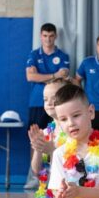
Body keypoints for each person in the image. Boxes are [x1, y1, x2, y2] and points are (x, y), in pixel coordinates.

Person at [24, 23, 70, 189]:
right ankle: (34, 177)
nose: (48, 39)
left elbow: (63, 78)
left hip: (57, 103)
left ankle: (55, 175)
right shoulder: (34, 54)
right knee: (36, 138)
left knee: (57, 137)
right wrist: (54, 75)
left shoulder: (62, 56)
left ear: (55, 36)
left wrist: (41, 75)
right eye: (45, 36)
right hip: (37, 102)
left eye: (51, 36)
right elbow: (30, 77)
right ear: (41, 36)